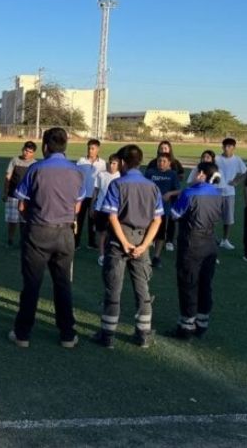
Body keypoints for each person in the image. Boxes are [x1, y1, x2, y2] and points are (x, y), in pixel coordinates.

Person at [8, 128, 85, 349]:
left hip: (39, 230)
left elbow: (21, 203)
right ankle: (67, 334)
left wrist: (31, 218)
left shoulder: (36, 169)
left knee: (32, 284)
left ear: (44, 146)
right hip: (65, 232)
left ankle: (23, 334)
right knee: (63, 284)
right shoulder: (77, 171)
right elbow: (77, 205)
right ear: (65, 146)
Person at [93, 144, 164, 349]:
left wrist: (124, 242)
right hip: (142, 240)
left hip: (118, 241)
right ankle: (143, 335)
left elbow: (112, 216)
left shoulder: (118, 184)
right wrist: (144, 245)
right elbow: (157, 221)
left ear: (123, 162)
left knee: (113, 288)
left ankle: (108, 335)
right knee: (142, 289)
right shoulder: (152, 187)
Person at [168, 161, 222, 340]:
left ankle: (186, 326)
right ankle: (202, 322)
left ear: (201, 174)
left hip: (191, 242)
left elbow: (175, 214)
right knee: (205, 283)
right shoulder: (218, 193)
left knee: (188, 283)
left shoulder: (190, 193)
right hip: (210, 242)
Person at [145, 153, 181, 268]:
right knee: (145, 232)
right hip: (148, 208)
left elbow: (179, 190)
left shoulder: (172, 174)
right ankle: (143, 256)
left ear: (169, 163)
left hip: (162, 209)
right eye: (159, 161)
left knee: (160, 234)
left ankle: (156, 256)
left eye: (164, 161)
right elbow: (143, 186)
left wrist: (170, 193)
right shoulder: (151, 172)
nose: (161, 163)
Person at [214, 138, 247, 249]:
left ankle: (225, 240)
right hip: (215, 193)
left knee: (228, 218)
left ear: (234, 148)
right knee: (212, 217)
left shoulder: (237, 160)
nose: (227, 149)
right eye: (225, 146)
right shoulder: (217, 159)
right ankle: (211, 238)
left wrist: (236, 181)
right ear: (222, 147)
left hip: (229, 193)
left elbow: (245, 172)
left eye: (230, 147)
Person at [4, 141, 37, 247]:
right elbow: (8, 177)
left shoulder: (35, 164)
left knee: (24, 221)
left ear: (33, 153)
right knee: (12, 220)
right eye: (26, 150)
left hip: (27, 198)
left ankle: (23, 240)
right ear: (23, 149)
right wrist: (5, 192)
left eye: (30, 152)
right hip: (13, 195)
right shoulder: (15, 160)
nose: (27, 153)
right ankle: (10, 239)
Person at [75, 139, 107, 250]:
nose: (90, 150)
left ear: (98, 149)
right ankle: (76, 242)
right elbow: (76, 177)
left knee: (92, 220)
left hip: (94, 196)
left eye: (93, 148)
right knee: (79, 220)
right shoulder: (81, 161)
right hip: (82, 195)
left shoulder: (102, 163)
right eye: (89, 148)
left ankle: (91, 242)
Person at [93, 154, 121, 266]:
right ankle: (101, 255)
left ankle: (113, 255)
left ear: (119, 165)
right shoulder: (101, 175)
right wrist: (93, 206)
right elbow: (96, 191)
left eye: (114, 163)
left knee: (114, 233)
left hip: (114, 210)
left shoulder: (120, 177)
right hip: (101, 208)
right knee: (102, 233)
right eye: (110, 162)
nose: (112, 165)